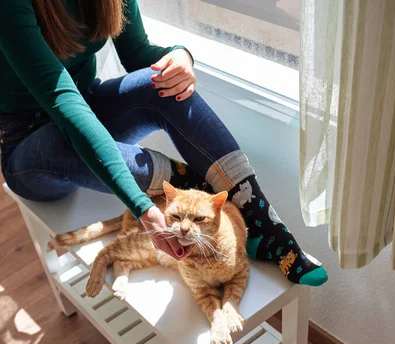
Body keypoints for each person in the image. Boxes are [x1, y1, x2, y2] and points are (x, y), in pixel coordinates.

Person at [0, 0, 327, 286]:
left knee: (162, 84)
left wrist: (180, 58)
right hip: (26, 146)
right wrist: (143, 208)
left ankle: (259, 219)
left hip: (88, 104)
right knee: (64, 136)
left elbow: (139, 54)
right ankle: (192, 185)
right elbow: (64, 104)